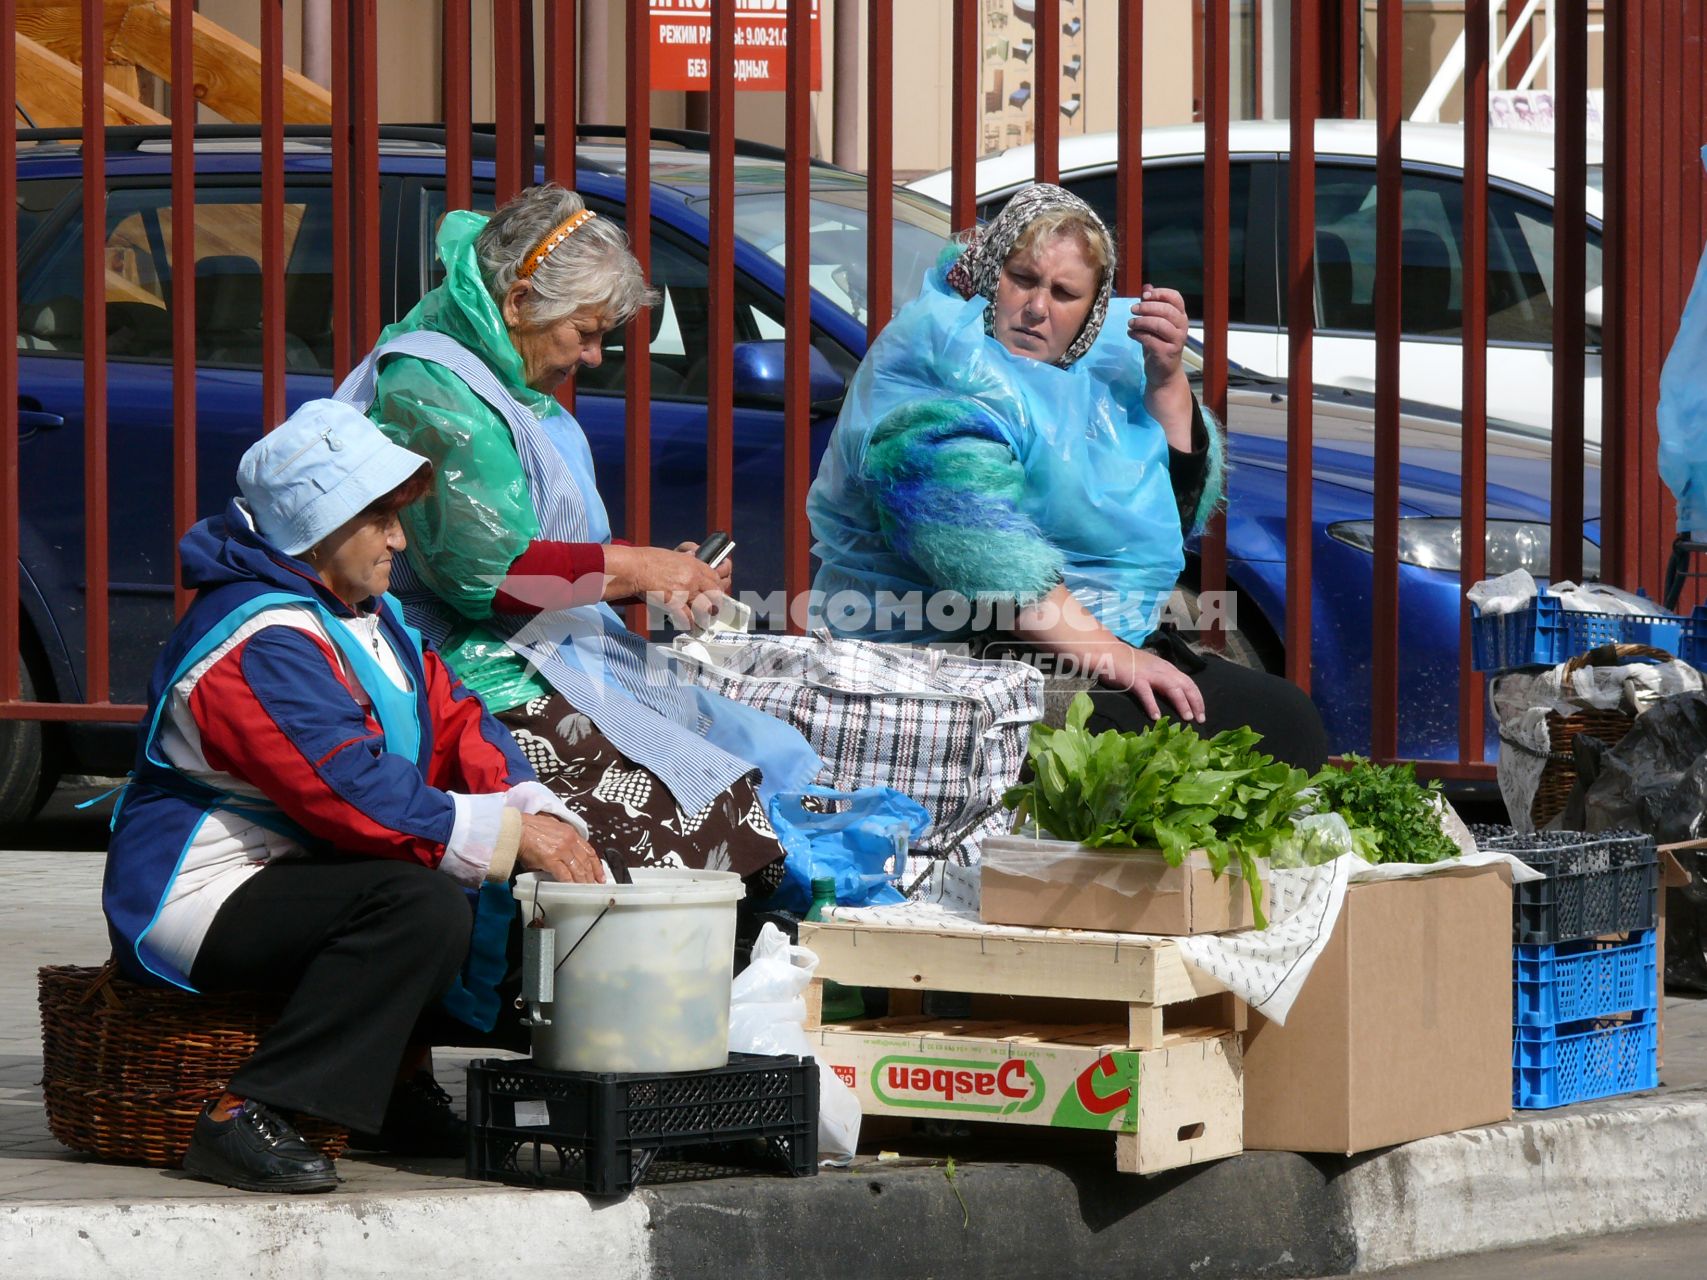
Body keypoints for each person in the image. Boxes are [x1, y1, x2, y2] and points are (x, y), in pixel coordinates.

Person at [102, 399, 603, 1194]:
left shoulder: (373, 618)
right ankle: (247, 1113)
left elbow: (456, 718)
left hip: (300, 869)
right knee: (418, 903)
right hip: (200, 893)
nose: (399, 540)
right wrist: (506, 837)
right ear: (318, 524)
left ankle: (398, 1089)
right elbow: (347, 792)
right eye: (380, 520)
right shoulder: (258, 640)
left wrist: (526, 804)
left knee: (463, 876)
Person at [340, 183, 819, 890]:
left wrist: (654, 573)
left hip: (547, 644)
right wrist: (634, 569)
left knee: (766, 756)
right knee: (704, 819)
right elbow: (485, 578)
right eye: (585, 332)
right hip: (464, 665)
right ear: (519, 301)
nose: (595, 356)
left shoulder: (508, 371)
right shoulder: (432, 389)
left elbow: (547, 542)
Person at [808, 183, 1329, 770]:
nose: (1037, 308)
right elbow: (985, 557)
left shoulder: (1090, 367)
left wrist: (1165, 381)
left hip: (1059, 637)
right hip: (945, 653)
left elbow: (1175, 509)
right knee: (1230, 730)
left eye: (1063, 293)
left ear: (1093, 309)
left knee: (1278, 714)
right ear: (988, 273)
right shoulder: (939, 365)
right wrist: (1119, 658)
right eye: (1023, 279)